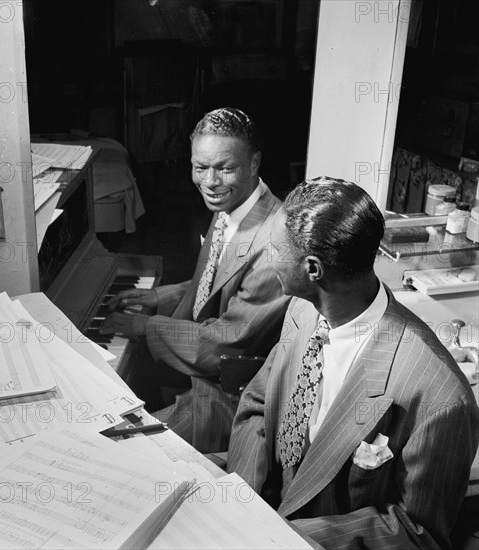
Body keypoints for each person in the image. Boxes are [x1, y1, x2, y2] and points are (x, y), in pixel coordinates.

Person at [227, 177, 479, 550]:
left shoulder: (441, 398)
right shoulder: (301, 311)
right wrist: (245, 506)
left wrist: (281, 539)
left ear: (313, 270)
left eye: (274, 249)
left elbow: (417, 533)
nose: (267, 258)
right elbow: (257, 406)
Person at [102, 107, 290, 452]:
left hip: (227, 399)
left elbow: (229, 343)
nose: (210, 182)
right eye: (200, 167)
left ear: (254, 163)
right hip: (198, 373)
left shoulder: (273, 246)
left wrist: (148, 327)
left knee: (122, 449)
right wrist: (163, 295)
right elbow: (220, 283)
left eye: (225, 168)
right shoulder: (235, 204)